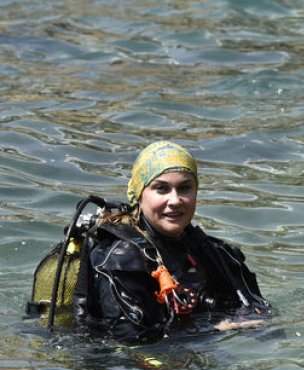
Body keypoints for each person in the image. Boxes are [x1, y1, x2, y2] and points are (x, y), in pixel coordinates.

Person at [72, 141, 271, 343]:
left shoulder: (217, 253)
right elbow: (132, 343)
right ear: (139, 195)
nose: (175, 200)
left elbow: (263, 317)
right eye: (161, 189)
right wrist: (216, 329)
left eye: (184, 188)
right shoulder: (119, 260)